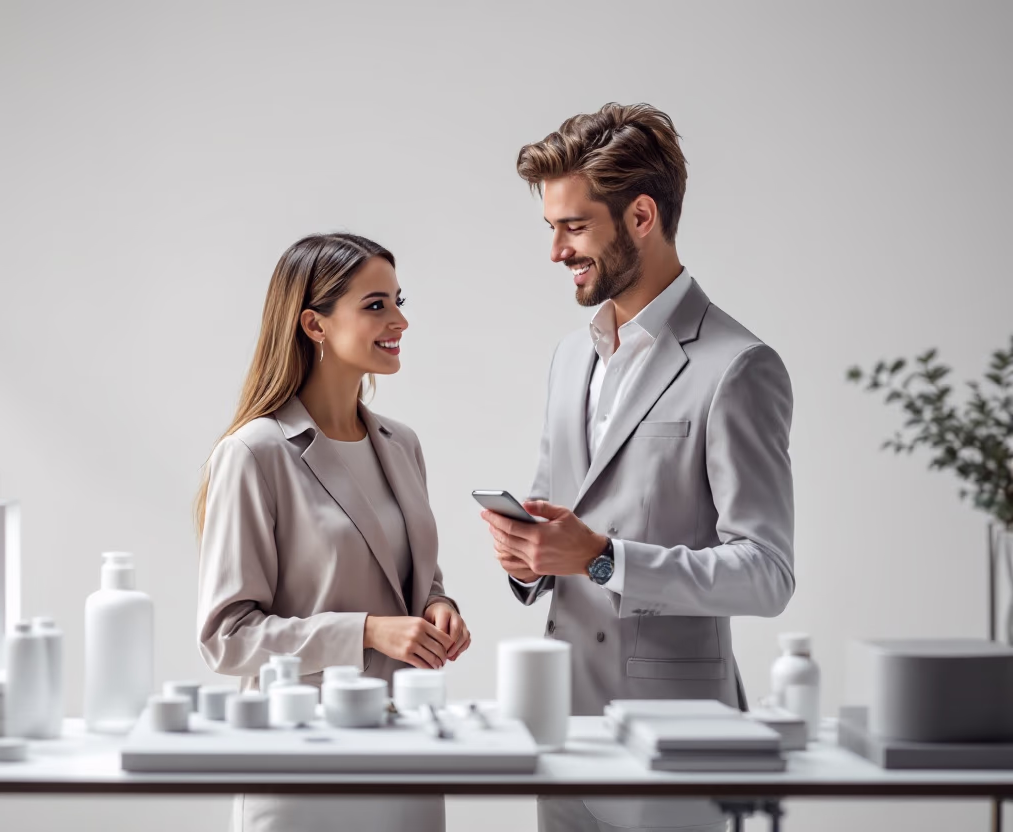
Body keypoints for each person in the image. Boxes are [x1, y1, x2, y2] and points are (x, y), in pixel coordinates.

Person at [481, 103, 795, 832]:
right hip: (563, 733)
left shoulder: (738, 367)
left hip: (676, 745)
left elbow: (767, 572)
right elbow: (561, 510)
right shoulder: (570, 357)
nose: (556, 251)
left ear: (642, 216)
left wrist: (602, 559)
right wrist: (527, 554)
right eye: (551, 229)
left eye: (575, 227)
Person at [196, 232, 471, 832]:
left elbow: (411, 579)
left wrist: (438, 605)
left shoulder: (402, 445)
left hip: (408, 749)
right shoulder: (254, 454)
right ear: (314, 326)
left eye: (399, 300)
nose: (399, 319)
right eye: (376, 305)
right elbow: (227, 638)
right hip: (304, 762)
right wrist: (369, 633)